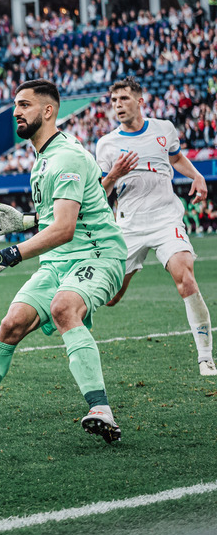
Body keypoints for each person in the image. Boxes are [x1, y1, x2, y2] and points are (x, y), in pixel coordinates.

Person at [0, 79, 127, 444]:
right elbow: (64, 213)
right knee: (11, 324)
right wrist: (27, 221)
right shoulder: (43, 159)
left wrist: (7, 255)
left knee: (63, 307)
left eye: (24, 105)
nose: (16, 112)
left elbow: (65, 228)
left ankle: (100, 409)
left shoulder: (67, 157)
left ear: (48, 110)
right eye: (15, 105)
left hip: (97, 254)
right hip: (58, 263)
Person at [96, 78, 213, 375]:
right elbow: (99, 193)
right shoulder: (106, 144)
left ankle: (205, 357)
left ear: (140, 101)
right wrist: (113, 175)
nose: (118, 105)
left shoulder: (164, 129)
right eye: (114, 100)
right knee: (111, 298)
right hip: (129, 225)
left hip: (165, 218)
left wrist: (197, 176)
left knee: (185, 276)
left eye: (123, 98)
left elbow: (176, 158)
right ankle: (123, 274)